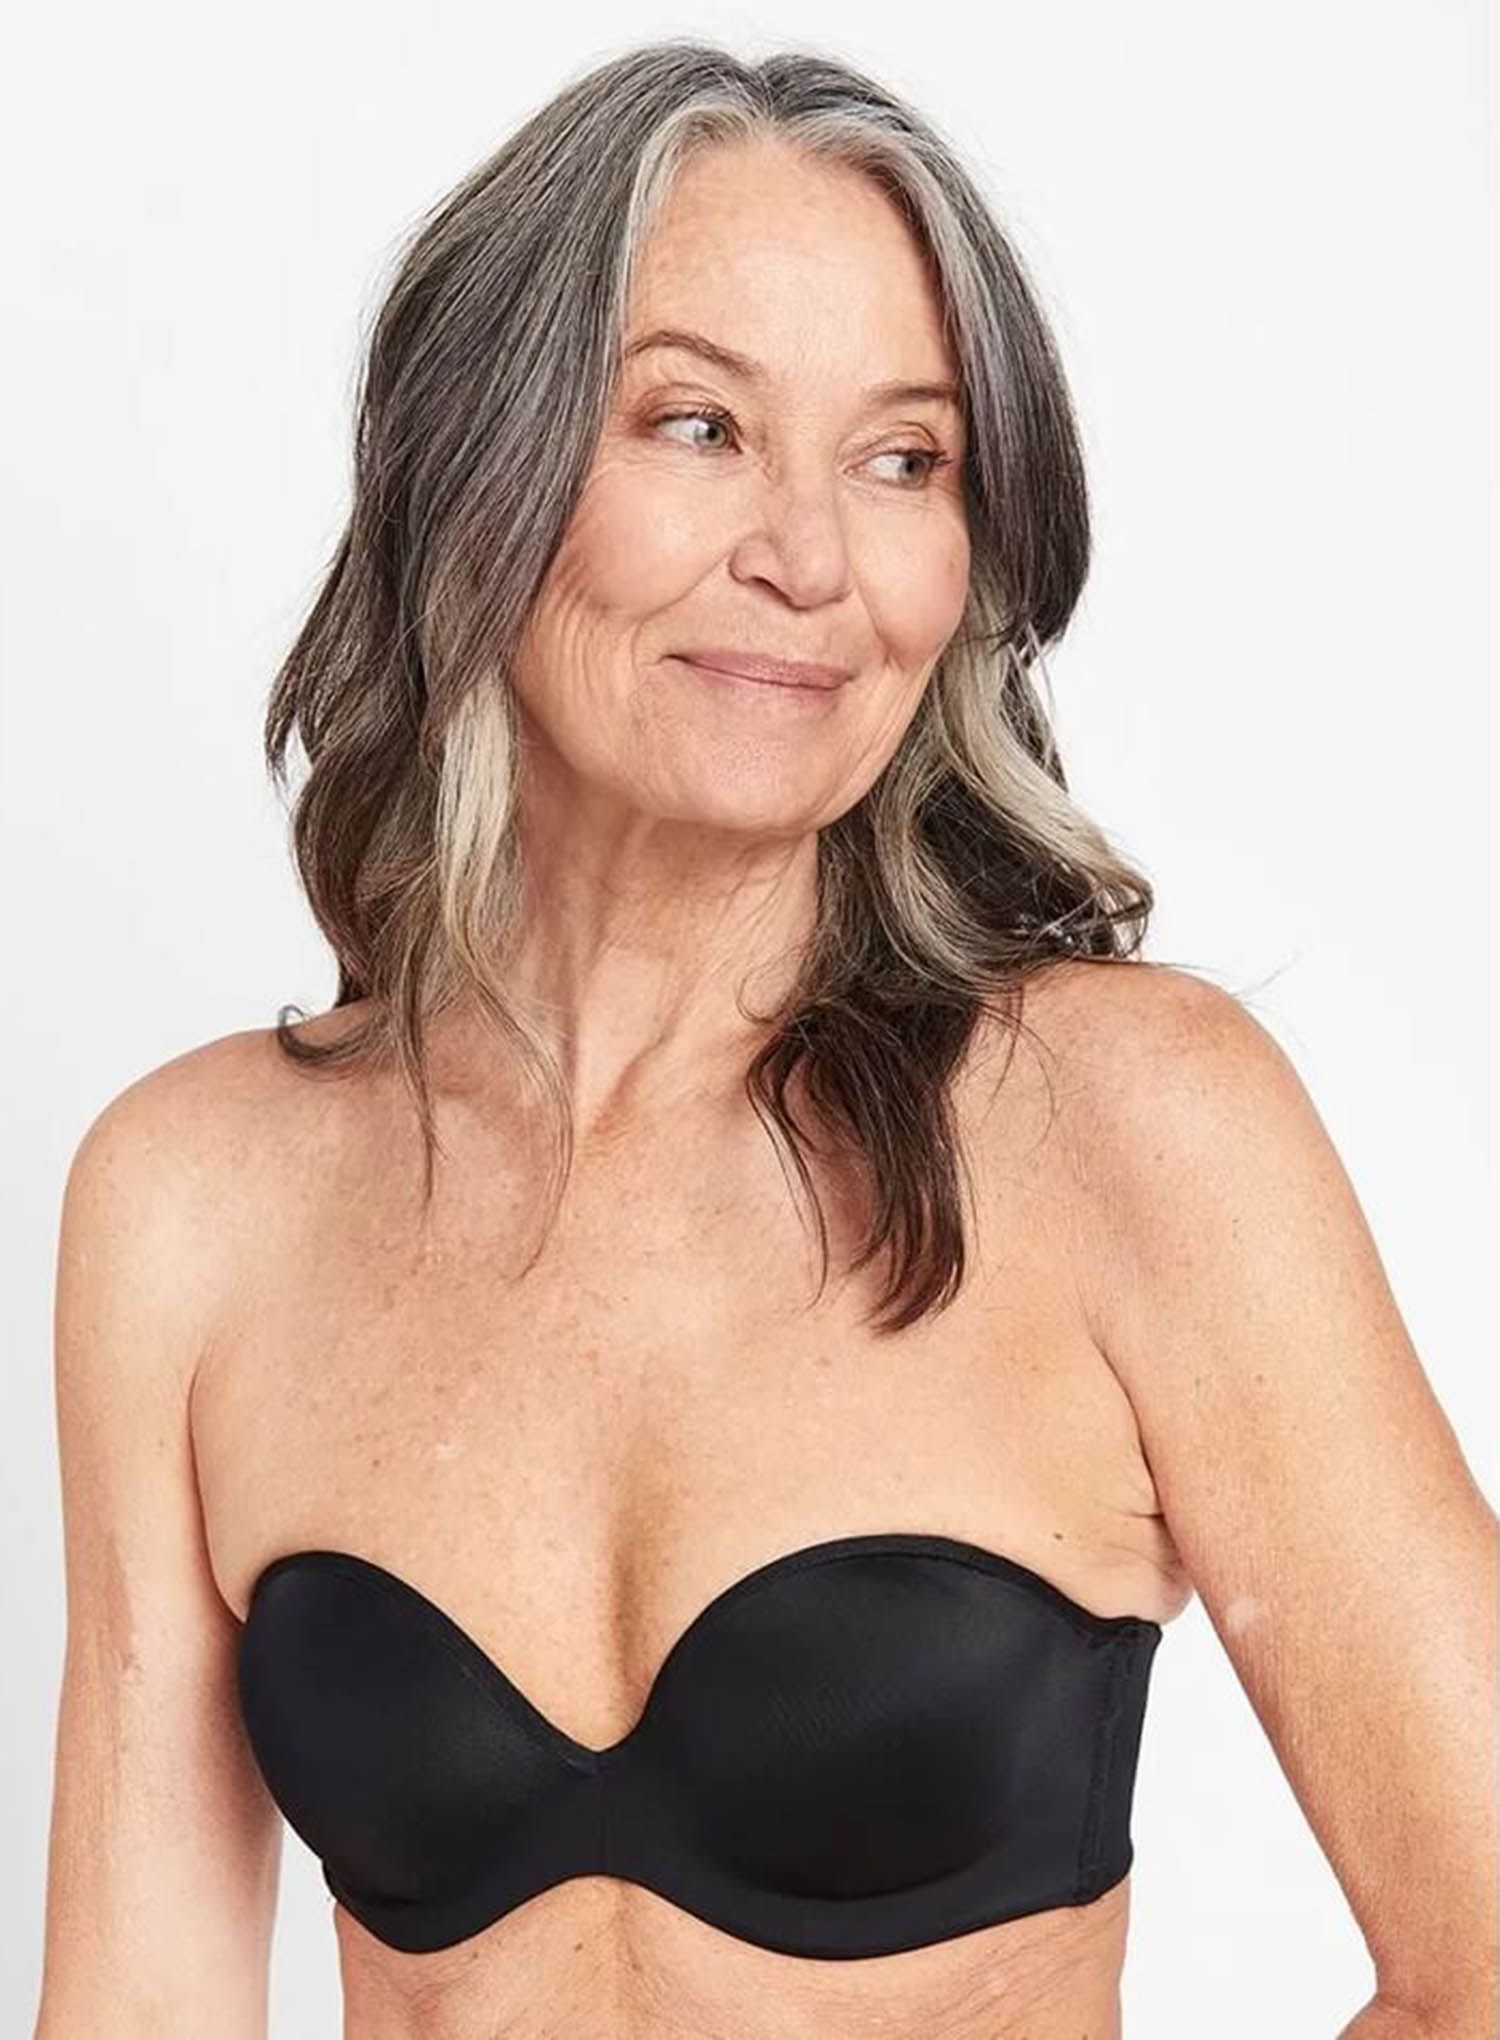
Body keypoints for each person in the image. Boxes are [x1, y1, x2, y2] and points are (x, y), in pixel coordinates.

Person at [32, 37, 1496, 2040]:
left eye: (905, 462)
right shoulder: (194, 1203)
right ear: (484, 478)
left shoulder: (1129, 1128)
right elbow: (139, 2005)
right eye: (699, 425)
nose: (810, 560)